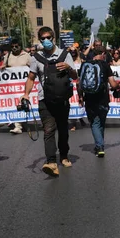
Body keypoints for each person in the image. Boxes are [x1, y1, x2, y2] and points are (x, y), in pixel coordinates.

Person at [21, 27, 78, 177]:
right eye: (42, 38)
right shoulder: (36, 58)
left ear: (53, 37)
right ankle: (51, 162)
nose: (46, 40)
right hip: (44, 100)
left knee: (63, 130)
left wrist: (68, 67)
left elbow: (75, 75)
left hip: (62, 99)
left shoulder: (65, 55)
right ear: (39, 40)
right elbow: (31, 78)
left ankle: (64, 155)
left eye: (48, 37)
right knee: (48, 130)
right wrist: (25, 94)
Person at [78, 48, 120, 157]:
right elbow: (113, 84)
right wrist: (119, 85)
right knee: (101, 122)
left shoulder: (84, 65)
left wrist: (80, 97)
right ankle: (100, 145)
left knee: (94, 122)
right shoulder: (105, 65)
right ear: (103, 54)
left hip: (89, 98)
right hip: (103, 98)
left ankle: (99, 145)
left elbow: (79, 83)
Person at [3, 40, 32, 135]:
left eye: (16, 46)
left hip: (24, 84)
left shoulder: (27, 56)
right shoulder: (7, 56)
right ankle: (18, 125)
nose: (14, 48)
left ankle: (22, 123)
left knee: (23, 103)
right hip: (12, 85)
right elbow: (3, 67)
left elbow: (33, 68)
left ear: (20, 46)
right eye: (12, 46)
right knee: (16, 104)